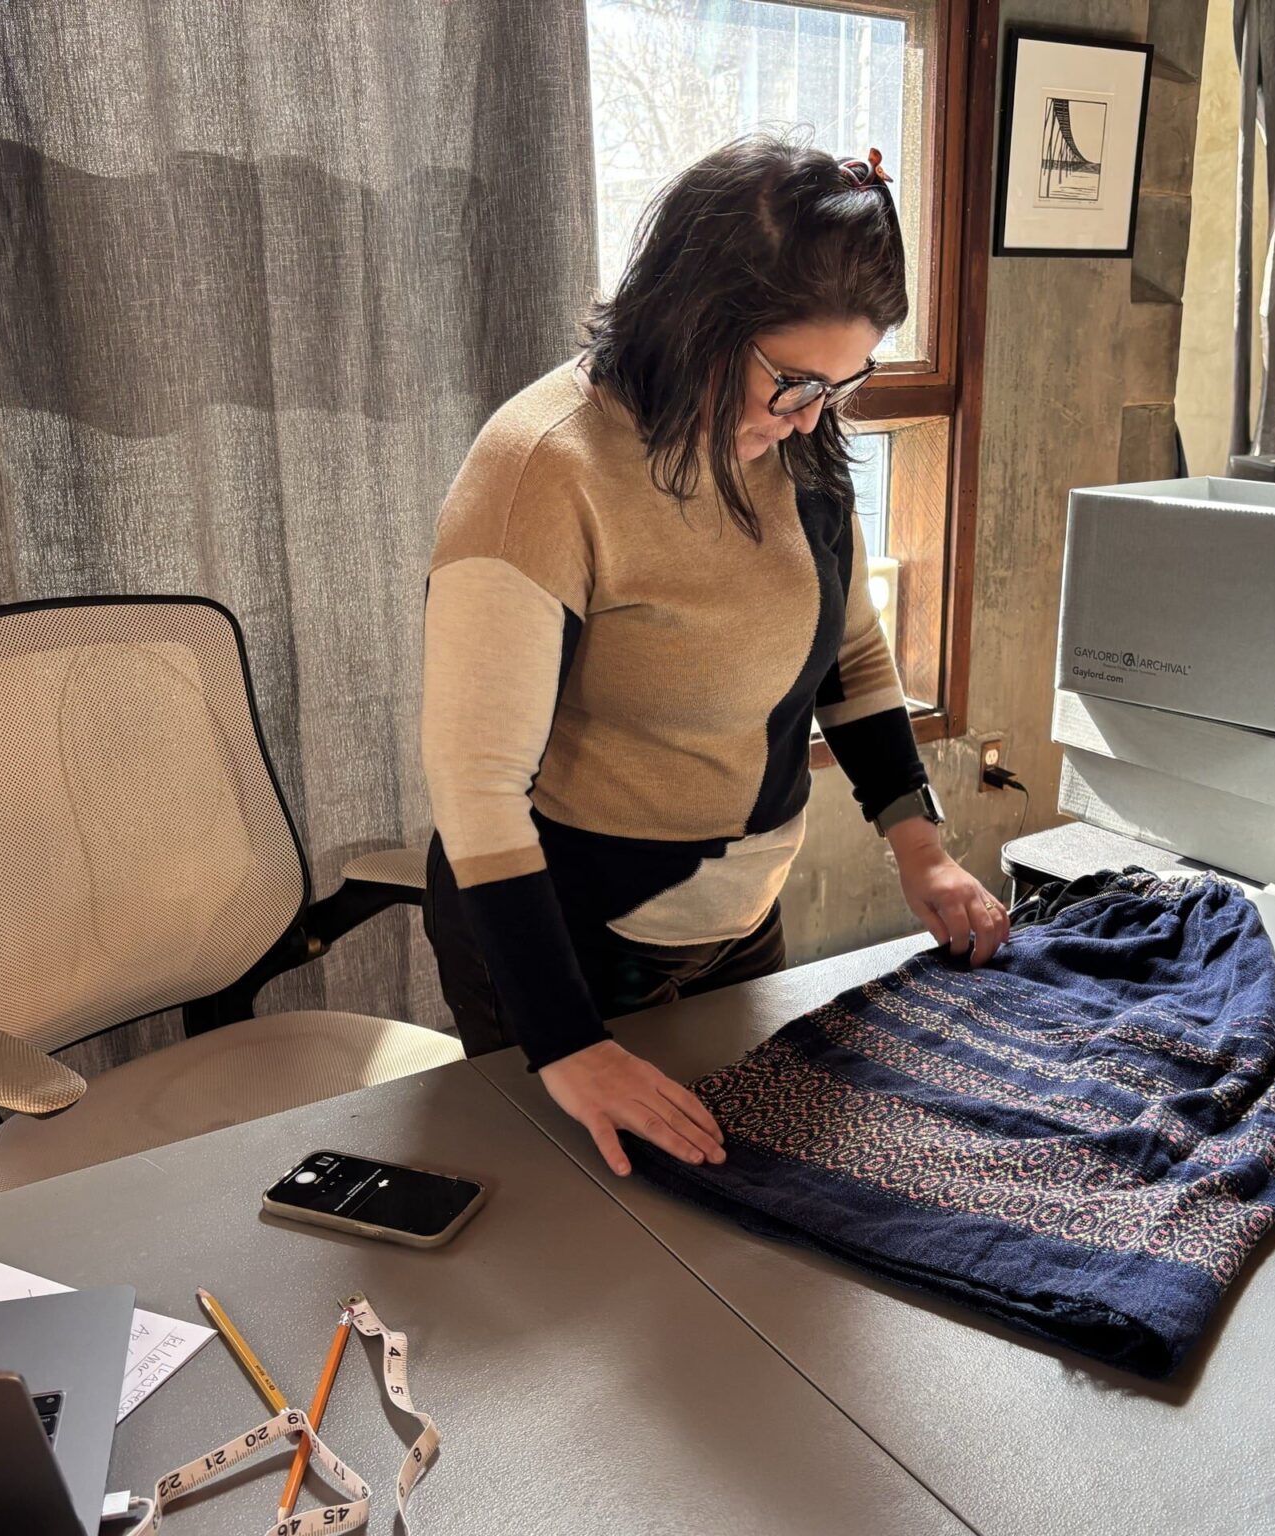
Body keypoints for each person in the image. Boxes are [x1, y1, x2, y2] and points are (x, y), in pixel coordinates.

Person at [420, 134, 1009, 1179]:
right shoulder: (542, 470)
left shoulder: (797, 441)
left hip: (734, 923)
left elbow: (852, 658)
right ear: (692, 318)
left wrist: (918, 846)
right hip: (569, 943)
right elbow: (475, 789)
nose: (810, 416)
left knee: (746, 1217)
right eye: (792, 381)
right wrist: (565, 1045)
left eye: (841, 383)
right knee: (589, 1254)